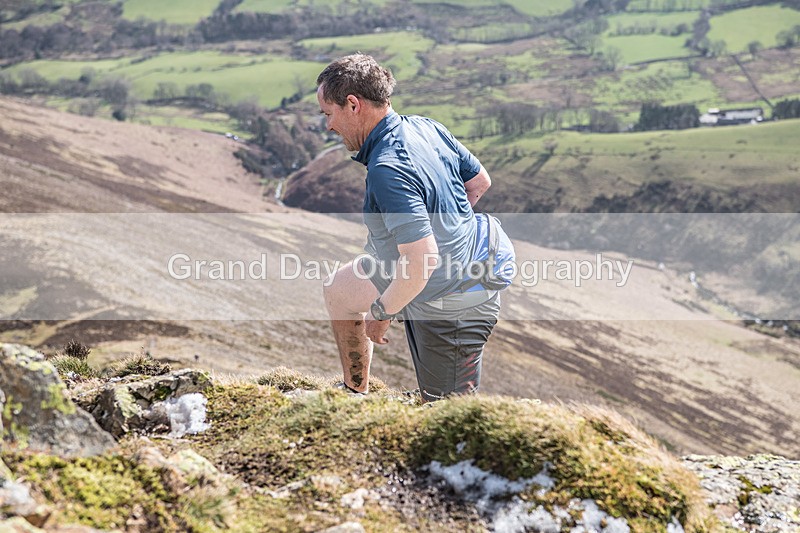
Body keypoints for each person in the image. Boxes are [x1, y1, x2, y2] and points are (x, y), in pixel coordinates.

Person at [318, 54, 505, 402]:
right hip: (430, 270)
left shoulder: (387, 168)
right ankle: (355, 391)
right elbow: (480, 182)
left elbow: (422, 260)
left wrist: (382, 312)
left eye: (329, 113)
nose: (328, 125)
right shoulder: (426, 127)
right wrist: (445, 233)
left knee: (447, 410)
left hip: (455, 298)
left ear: (353, 105)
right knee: (338, 290)